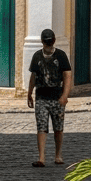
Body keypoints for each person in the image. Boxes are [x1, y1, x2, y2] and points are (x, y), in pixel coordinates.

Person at [28, 28, 72, 167]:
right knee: (41, 127)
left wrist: (65, 95)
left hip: (57, 97)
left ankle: (58, 155)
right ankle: (41, 157)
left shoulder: (61, 55)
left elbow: (67, 76)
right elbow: (33, 76)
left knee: (58, 128)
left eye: (50, 41)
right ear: (42, 41)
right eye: (47, 42)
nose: (48, 44)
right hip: (41, 97)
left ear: (53, 41)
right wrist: (29, 94)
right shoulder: (37, 56)